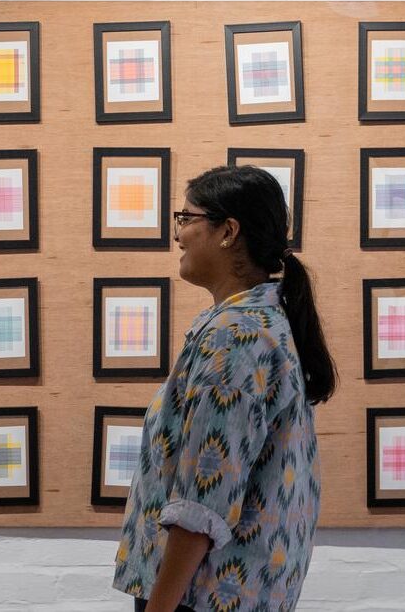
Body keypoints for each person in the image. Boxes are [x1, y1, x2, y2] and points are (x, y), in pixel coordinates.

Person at [112, 165, 337, 611]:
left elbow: (202, 501)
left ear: (228, 231)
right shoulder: (261, 324)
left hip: (200, 597)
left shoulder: (235, 336)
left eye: (186, 218)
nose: (178, 234)